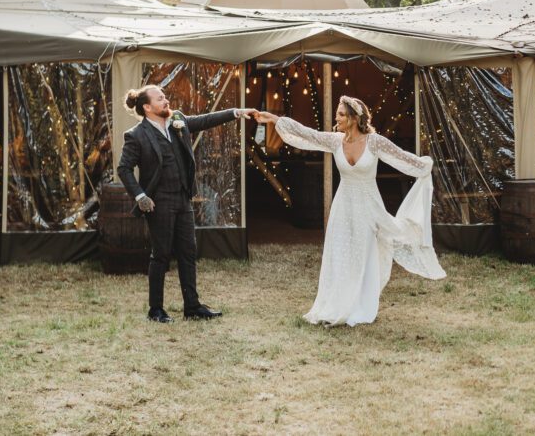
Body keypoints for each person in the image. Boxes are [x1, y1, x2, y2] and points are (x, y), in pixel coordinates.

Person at [254, 96, 445, 326]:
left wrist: (425, 166)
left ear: (355, 118)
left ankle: (359, 306)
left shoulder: (374, 142)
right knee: (339, 255)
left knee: (363, 255)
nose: (337, 118)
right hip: (343, 207)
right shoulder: (335, 141)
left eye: (341, 114)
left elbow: (401, 157)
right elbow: (306, 134)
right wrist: (275, 119)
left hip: (368, 208)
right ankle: (335, 304)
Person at [117, 84, 257, 323]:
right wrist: (141, 196)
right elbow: (124, 169)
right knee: (160, 255)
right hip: (158, 203)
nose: (166, 101)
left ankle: (192, 306)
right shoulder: (136, 135)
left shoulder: (177, 121)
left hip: (183, 199)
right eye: (160, 99)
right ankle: (156, 310)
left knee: (188, 253)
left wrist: (235, 112)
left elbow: (205, 120)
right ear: (147, 107)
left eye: (165, 97)